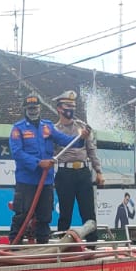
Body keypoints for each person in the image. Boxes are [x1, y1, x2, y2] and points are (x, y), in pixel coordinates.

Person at [8, 94, 84, 244]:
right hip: (26, 181)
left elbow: (65, 140)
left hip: (46, 180)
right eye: (30, 108)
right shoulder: (18, 129)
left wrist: (81, 138)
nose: (33, 111)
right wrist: (38, 163)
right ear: (25, 109)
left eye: (35, 108)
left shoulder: (48, 127)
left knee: (44, 216)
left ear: (40, 108)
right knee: (22, 214)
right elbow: (17, 153)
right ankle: (13, 246)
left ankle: (43, 245)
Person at [53, 92, 103, 241]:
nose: (71, 109)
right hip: (64, 173)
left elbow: (91, 150)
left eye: (73, 107)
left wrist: (99, 171)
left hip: (83, 172)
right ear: (59, 109)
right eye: (68, 106)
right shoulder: (54, 130)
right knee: (65, 213)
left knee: (88, 212)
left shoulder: (82, 127)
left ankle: (92, 245)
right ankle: (63, 246)